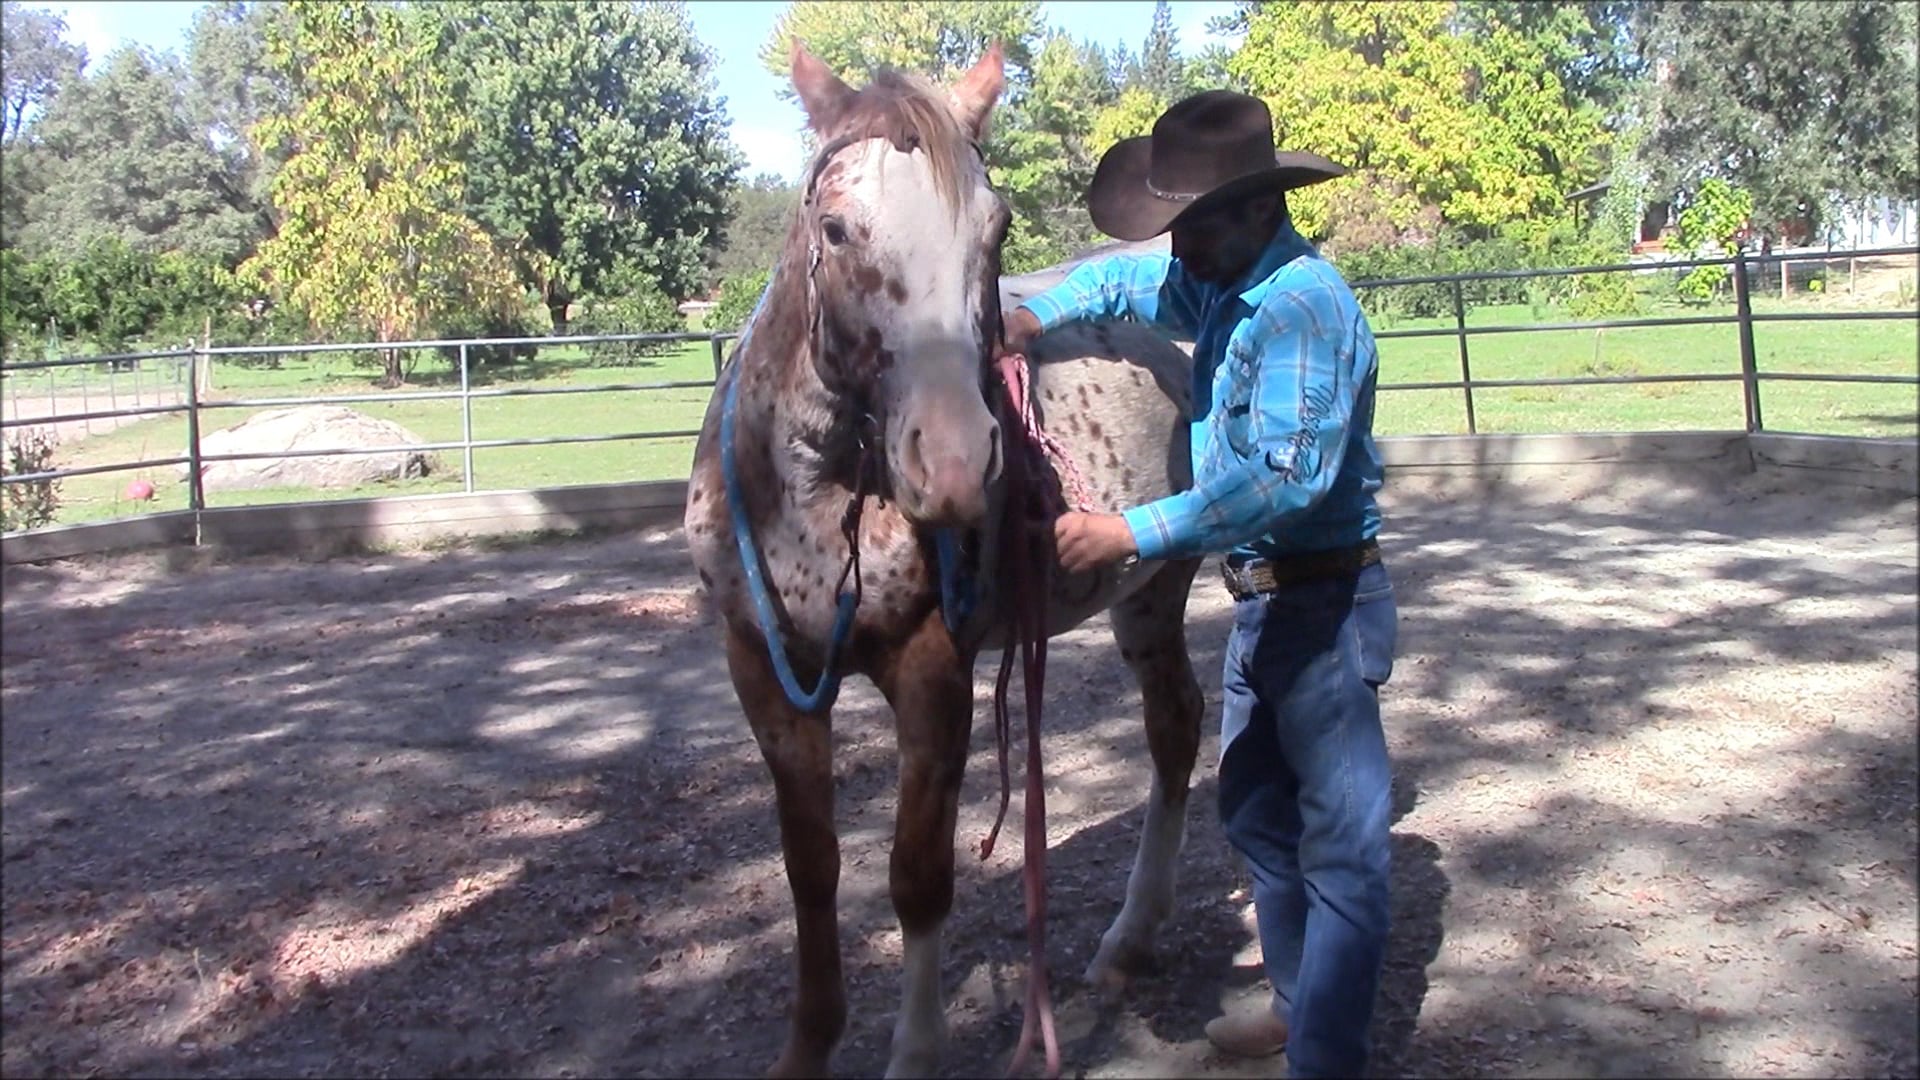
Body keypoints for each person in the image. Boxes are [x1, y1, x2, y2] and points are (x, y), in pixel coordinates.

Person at [998, 90, 1399, 1079]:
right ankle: (1303, 1007)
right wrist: (1028, 315)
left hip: (1322, 598)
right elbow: (1127, 281)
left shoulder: (1304, 307)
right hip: (1268, 599)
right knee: (1258, 813)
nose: (1175, 248)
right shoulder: (1220, 279)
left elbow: (1282, 482)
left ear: (1260, 209)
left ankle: (1328, 1060)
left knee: (1342, 845)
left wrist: (1125, 531)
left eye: (1192, 226)